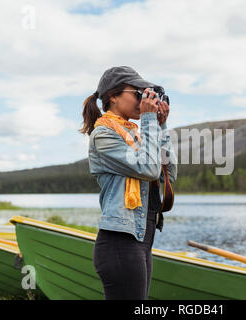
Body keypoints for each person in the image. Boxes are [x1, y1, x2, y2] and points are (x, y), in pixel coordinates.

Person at [79, 66, 177, 300]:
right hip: (120, 244)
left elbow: (167, 176)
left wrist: (160, 126)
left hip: (141, 240)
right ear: (113, 96)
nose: (142, 99)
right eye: (138, 93)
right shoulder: (104, 135)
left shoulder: (138, 135)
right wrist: (150, 120)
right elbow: (149, 169)